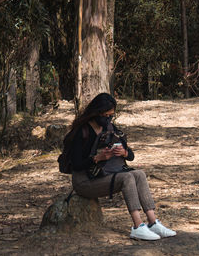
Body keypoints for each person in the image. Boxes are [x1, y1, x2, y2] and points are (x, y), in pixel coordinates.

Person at [68, 93, 176, 241]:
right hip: (84, 182)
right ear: (96, 112)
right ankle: (138, 227)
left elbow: (131, 156)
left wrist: (123, 152)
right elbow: (75, 164)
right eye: (105, 115)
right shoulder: (82, 131)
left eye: (111, 115)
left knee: (139, 174)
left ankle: (153, 222)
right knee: (127, 177)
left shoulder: (110, 127)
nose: (108, 118)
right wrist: (97, 158)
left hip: (102, 175)